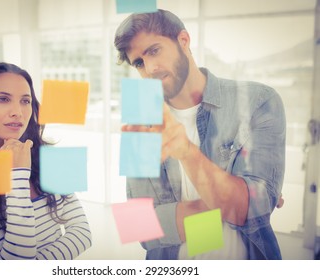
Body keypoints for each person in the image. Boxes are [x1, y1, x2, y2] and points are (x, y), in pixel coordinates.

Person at [114, 9, 286, 260]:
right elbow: (139, 227)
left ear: (183, 41)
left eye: (154, 50)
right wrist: (232, 199)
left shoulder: (258, 101)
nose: (149, 68)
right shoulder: (140, 124)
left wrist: (186, 152)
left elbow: (252, 211)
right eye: (139, 62)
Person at [0, 62, 92, 260]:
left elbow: (83, 233)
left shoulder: (50, 156)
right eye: (3, 99)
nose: (17, 112)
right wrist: (18, 176)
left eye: (25, 101)